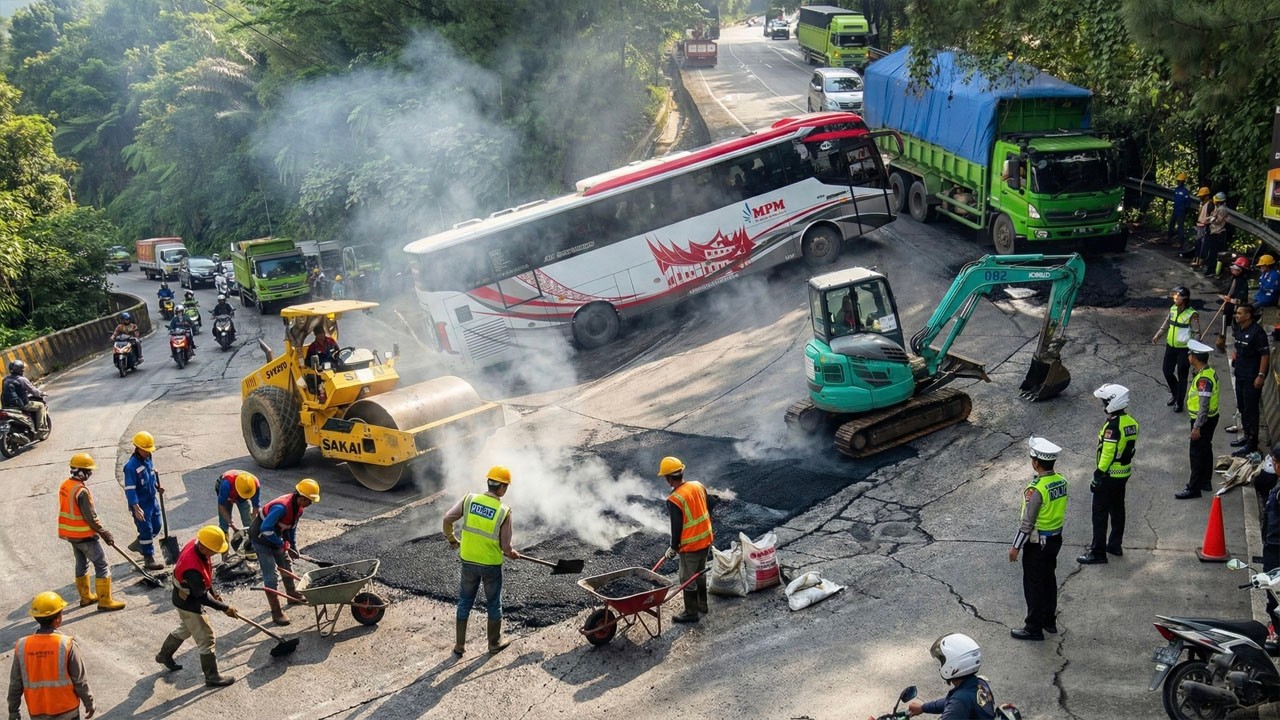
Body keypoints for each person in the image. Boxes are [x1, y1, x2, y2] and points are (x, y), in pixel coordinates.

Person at [443, 466, 521, 656]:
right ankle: (494, 643)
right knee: (493, 603)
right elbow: (505, 547)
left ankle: (459, 646)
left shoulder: (469, 500)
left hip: (468, 561)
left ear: (488, 483)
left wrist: (452, 539)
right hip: (490, 566)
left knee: (464, 602)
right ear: (502, 488)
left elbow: (447, 519)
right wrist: (512, 553)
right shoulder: (504, 511)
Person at [154, 526, 237, 687]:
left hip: (184, 597)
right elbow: (201, 596)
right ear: (203, 547)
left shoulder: (198, 544)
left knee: (186, 628)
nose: (214, 554)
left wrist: (215, 593)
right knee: (206, 637)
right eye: (213, 551)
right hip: (188, 602)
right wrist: (225, 607)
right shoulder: (191, 567)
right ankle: (212, 676)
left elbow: (206, 574)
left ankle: (164, 655)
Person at [1008, 437, 1068, 641]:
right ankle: (1048, 621)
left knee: (1033, 585)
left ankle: (1033, 627)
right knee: (1049, 580)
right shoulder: (1061, 481)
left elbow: (1028, 522)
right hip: (1055, 540)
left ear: (1036, 462)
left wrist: (1016, 547)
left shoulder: (1036, 489)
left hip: (1037, 544)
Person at [7, 592, 95, 720]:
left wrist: (13, 710)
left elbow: (15, 683)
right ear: (58, 618)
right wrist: (89, 702)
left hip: (37, 712)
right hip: (67, 712)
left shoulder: (22, 646)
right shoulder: (67, 644)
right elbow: (80, 681)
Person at [1077, 384, 1138, 564]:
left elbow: (1108, 453)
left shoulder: (1113, 426)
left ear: (1113, 402)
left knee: (1100, 514)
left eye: (1105, 401)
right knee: (1118, 509)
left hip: (1109, 476)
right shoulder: (1132, 423)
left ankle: (1098, 553)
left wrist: (1098, 475)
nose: (1103, 405)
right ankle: (1114, 545)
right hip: (1124, 473)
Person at [57, 453, 124, 611]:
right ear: (81, 471)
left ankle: (86, 597)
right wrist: (103, 532)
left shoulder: (66, 485)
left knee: (82, 564)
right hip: (84, 535)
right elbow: (90, 517)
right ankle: (105, 601)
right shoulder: (81, 491)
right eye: (88, 470)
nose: (90, 473)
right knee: (101, 565)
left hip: (71, 535)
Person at [249, 479, 320, 626]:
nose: (310, 504)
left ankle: (292, 594)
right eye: (310, 501)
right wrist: (281, 544)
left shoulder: (298, 509)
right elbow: (266, 529)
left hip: (274, 537)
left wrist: (293, 546)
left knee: (286, 563)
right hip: (261, 539)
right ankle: (276, 612)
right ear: (301, 497)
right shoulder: (281, 507)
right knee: (271, 575)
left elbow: (291, 528)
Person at [659, 456, 713, 624]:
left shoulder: (674, 499)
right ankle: (702, 605)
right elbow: (709, 504)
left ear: (669, 479)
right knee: (699, 573)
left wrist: (673, 547)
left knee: (687, 579)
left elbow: (677, 527)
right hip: (706, 539)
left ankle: (691, 613)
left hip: (691, 546)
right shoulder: (698, 485)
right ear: (681, 472)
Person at [900, 633, 996, 719]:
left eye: (942, 660)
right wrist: (923, 708)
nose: (941, 665)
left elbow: (956, 704)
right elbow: (950, 701)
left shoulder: (960, 701)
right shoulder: (979, 683)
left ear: (953, 665)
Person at [1176, 340, 1221, 499]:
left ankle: (1193, 488)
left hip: (1203, 421)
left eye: (1190, 354)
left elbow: (1204, 406)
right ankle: (1205, 482)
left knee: (1195, 455)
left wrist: (1197, 427)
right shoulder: (1208, 372)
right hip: (1211, 419)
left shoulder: (1203, 380)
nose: (1188, 356)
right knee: (1206, 450)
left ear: (1194, 358)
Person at [1229, 303, 1270, 457]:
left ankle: (1252, 443)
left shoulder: (1257, 333)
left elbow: (1265, 355)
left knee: (1251, 410)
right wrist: (1235, 354)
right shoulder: (1240, 329)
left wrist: (1260, 375)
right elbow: (1238, 346)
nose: (1236, 315)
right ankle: (1246, 436)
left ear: (1248, 316)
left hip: (1252, 378)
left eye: (1239, 313)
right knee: (1242, 407)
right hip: (1240, 374)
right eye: (1236, 313)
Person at [1151, 287, 1199, 412]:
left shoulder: (1191, 314)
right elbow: (1166, 323)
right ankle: (1175, 393)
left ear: (1185, 298)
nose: (1175, 298)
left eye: (1178, 296)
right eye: (1174, 296)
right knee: (1167, 371)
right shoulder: (1172, 309)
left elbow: (1196, 333)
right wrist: (1158, 335)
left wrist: (1193, 351)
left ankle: (1179, 402)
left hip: (1184, 350)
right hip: (1170, 347)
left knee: (1182, 376)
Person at [123, 431, 165, 570]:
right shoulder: (130, 467)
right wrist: (136, 508)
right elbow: (130, 489)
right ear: (137, 448)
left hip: (152, 500)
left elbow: (150, 475)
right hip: (141, 504)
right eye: (145, 450)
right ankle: (149, 558)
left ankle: (140, 543)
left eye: (149, 450)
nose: (148, 453)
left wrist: (156, 486)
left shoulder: (148, 459)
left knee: (157, 526)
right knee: (146, 529)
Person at [2, 360, 48, 432]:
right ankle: (40, 427)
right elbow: (33, 391)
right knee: (41, 405)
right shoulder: (22, 380)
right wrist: (41, 393)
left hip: (6, 405)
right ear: (21, 370)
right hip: (20, 404)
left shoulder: (5, 379)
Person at [1202, 191, 1230, 276]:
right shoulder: (1218, 208)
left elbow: (1218, 221)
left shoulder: (1222, 209)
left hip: (1218, 233)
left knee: (1215, 253)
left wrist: (1211, 220)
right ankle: (1212, 269)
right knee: (1212, 252)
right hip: (1214, 232)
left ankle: (1213, 271)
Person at [1220, 257, 1252, 330]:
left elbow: (1241, 300)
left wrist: (1230, 300)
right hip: (1228, 305)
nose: (1232, 270)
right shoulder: (1233, 278)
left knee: (1234, 324)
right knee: (1225, 320)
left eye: (1236, 269)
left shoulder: (1242, 282)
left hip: (1236, 308)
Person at [1184, 186, 1212, 263]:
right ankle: (1196, 257)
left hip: (1205, 226)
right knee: (1198, 242)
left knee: (1203, 243)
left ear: (1206, 196)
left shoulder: (1210, 205)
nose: (1200, 197)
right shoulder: (1202, 204)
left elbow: (1212, 217)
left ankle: (1201, 258)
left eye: (1202, 196)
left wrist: (1208, 224)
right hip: (1200, 225)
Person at [1169, 172, 1192, 245]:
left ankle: (1181, 242)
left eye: (1179, 181)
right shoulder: (1176, 190)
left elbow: (1188, 202)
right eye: (1177, 181)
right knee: (1171, 224)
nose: (1178, 182)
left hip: (1181, 211)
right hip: (1175, 210)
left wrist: (1185, 210)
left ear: (1183, 182)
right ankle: (1169, 238)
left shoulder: (1185, 191)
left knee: (1180, 227)